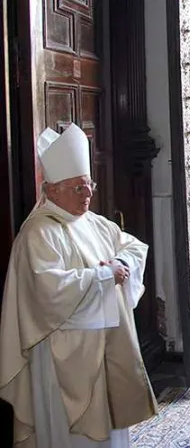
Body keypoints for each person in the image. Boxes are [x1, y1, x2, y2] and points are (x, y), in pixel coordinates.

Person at [0, 124, 157, 447]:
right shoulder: (38, 233)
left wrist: (122, 264)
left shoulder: (93, 222)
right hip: (64, 357)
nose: (87, 195)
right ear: (52, 189)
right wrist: (102, 276)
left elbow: (132, 246)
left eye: (89, 186)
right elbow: (47, 290)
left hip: (106, 347)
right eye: (77, 188)